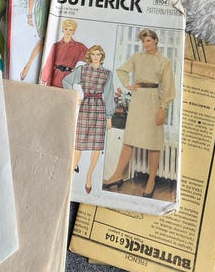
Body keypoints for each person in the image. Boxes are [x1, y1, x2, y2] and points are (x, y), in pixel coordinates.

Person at [103, 29, 175, 198]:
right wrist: (128, 84)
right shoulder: (137, 57)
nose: (145, 44)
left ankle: (151, 181)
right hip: (138, 100)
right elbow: (122, 70)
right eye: (143, 41)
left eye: (148, 40)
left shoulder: (164, 62)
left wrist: (163, 108)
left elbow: (169, 88)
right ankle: (117, 175)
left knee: (154, 142)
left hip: (154, 100)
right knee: (130, 139)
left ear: (156, 41)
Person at [63, 45, 114, 193]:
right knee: (78, 144)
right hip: (85, 107)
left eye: (98, 54)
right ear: (89, 56)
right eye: (93, 54)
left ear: (102, 56)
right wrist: (74, 96)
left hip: (99, 109)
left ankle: (89, 176)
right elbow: (66, 81)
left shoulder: (107, 74)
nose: (96, 57)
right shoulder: (82, 70)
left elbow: (109, 95)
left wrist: (109, 116)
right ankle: (69, 174)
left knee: (96, 146)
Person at [20, 0, 55, 80]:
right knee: (44, 38)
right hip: (40, 8)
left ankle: (29, 66)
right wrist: (29, 16)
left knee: (47, 38)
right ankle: (32, 66)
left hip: (51, 6)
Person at [40, 19, 88, 87]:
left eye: (71, 30)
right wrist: (44, 78)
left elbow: (92, 59)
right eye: (66, 29)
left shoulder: (79, 47)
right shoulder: (55, 45)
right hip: (54, 77)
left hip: (68, 78)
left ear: (73, 32)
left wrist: (79, 73)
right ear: (63, 29)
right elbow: (49, 62)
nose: (68, 32)